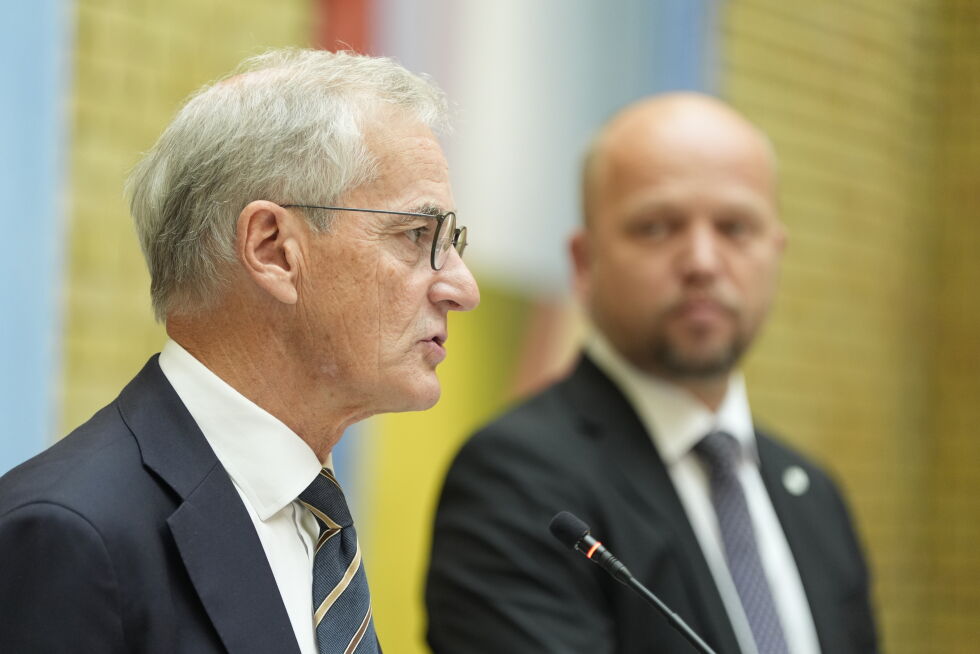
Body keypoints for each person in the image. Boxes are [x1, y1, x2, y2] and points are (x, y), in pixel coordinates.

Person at [0, 49, 479, 654]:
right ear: (274, 249)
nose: (463, 287)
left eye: (450, 241)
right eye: (416, 235)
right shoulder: (71, 536)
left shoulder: (312, 518)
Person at [425, 94, 877, 654]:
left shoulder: (815, 497)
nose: (703, 263)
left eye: (736, 228)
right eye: (658, 228)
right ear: (585, 262)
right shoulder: (517, 482)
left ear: (776, 253)